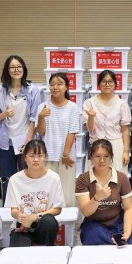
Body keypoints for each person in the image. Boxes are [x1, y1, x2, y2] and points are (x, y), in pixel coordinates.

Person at [0, 55, 41, 205]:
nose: (16, 70)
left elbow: (34, 118)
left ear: (24, 69)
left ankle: (29, 209)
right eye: (12, 67)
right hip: (6, 142)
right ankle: (9, 210)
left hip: (25, 140)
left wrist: (29, 141)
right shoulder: (0, 91)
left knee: (28, 177)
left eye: (19, 66)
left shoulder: (32, 90)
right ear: (7, 70)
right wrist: (4, 114)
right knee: (7, 179)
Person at [75, 139, 132, 245]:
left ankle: (115, 241)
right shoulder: (83, 179)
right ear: (91, 157)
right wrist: (97, 198)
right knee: (93, 236)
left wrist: (127, 232)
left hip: (117, 222)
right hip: (94, 224)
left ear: (111, 158)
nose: (102, 160)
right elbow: (86, 212)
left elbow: (128, 208)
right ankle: (111, 242)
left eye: (106, 156)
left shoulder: (121, 177)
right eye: (97, 156)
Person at [4, 139, 64, 247]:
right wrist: (20, 216)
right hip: (22, 226)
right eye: (32, 156)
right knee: (19, 252)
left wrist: (34, 217)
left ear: (45, 157)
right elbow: (13, 210)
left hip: (44, 224)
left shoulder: (54, 178)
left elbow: (57, 209)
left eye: (40, 156)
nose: (36, 160)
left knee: (48, 221)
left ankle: (46, 251)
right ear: (25, 157)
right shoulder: (14, 179)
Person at [36, 73, 80, 207]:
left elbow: (72, 132)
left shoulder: (72, 107)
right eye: (52, 84)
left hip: (66, 157)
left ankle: (68, 220)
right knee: (48, 194)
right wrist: (41, 117)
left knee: (67, 194)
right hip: (47, 156)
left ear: (66, 87)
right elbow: (41, 132)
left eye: (59, 84)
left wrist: (65, 154)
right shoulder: (43, 107)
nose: (55, 87)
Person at [83, 70, 132, 174]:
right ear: (99, 84)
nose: (107, 84)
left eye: (110, 81)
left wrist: (126, 152)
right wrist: (91, 117)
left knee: (116, 178)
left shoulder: (122, 104)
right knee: (95, 178)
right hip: (96, 145)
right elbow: (89, 130)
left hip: (116, 146)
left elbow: (125, 130)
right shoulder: (89, 103)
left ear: (115, 84)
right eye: (104, 81)